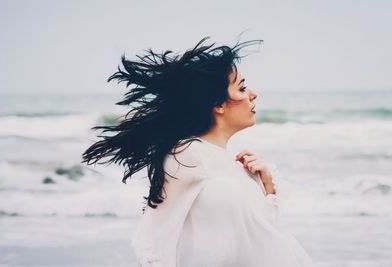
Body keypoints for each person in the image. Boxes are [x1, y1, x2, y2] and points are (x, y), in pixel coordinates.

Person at [82, 37, 314, 267]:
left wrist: (268, 186)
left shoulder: (235, 163)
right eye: (241, 88)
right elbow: (153, 237)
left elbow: (264, 239)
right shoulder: (187, 154)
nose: (253, 94)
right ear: (218, 104)